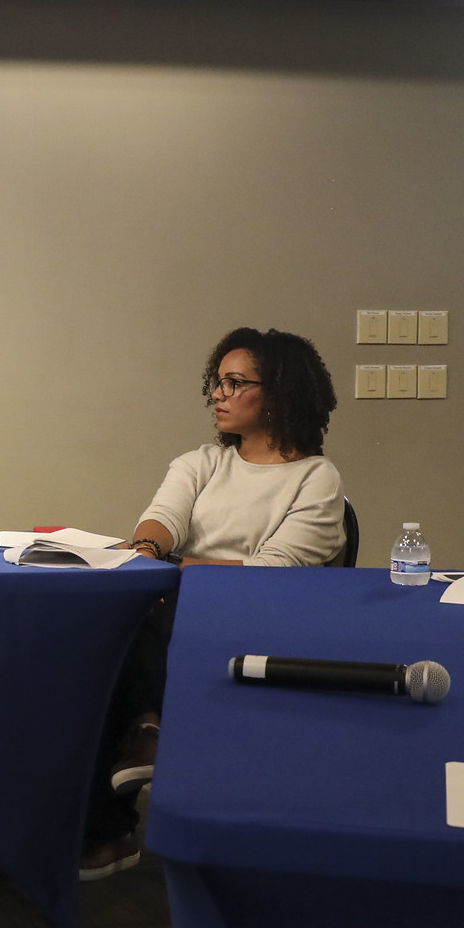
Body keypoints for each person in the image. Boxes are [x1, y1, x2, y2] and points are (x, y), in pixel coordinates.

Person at [83, 326, 345, 879]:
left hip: (256, 620)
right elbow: (162, 520)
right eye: (217, 383)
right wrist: (148, 550)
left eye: (234, 383)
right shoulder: (201, 462)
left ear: (277, 392)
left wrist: (174, 568)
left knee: (142, 622)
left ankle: (127, 780)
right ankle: (127, 768)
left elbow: (275, 572)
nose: (218, 395)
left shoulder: (315, 478)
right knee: (98, 637)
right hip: (176, 606)